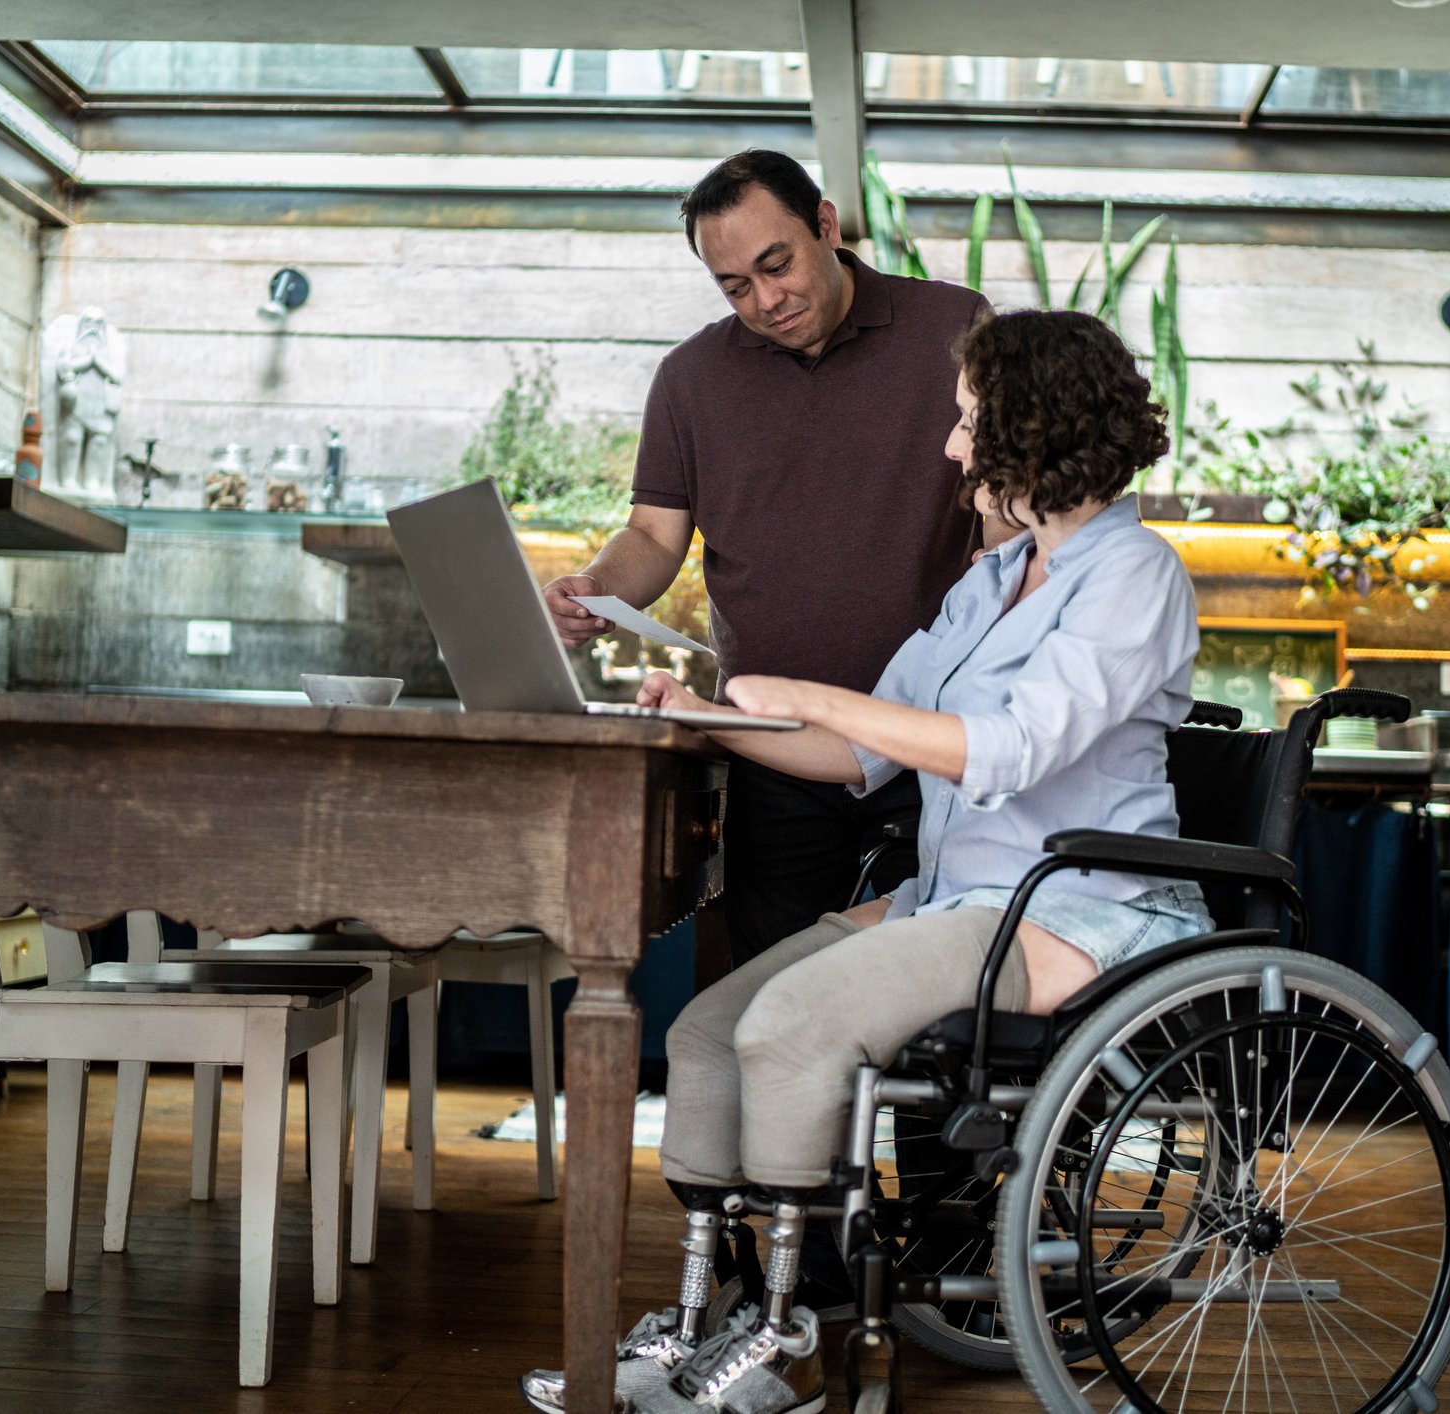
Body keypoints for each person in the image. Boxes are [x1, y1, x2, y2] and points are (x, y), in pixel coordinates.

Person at [520, 310, 1214, 1414]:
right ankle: (707, 1318)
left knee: (787, 1029)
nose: (948, 445)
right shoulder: (990, 585)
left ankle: (785, 1349)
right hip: (953, 896)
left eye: (967, 421)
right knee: (704, 1032)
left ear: (1030, 431)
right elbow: (859, 749)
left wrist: (802, 690)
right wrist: (707, 717)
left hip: (1072, 908)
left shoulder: (1132, 575)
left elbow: (1003, 749)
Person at [540, 148, 994, 967]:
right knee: (762, 998)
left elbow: (1009, 510)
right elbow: (652, 538)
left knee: (935, 999)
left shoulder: (954, 328)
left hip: (932, 742)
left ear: (825, 224)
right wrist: (594, 588)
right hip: (769, 752)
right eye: (735, 285)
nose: (767, 299)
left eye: (776, 265)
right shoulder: (690, 379)